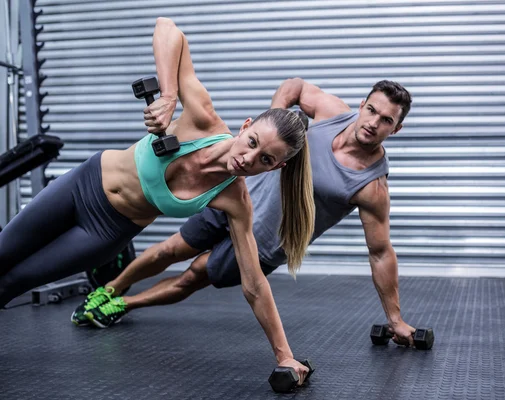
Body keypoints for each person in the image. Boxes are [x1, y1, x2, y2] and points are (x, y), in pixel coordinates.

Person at [0, 17, 314, 381]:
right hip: (82, 185)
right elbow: (167, 28)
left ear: (276, 168)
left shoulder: (234, 199)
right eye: (253, 143)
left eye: (265, 160)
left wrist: (285, 356)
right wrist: (168, 97)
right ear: (246, 126)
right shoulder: (201, 118)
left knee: (13, 283)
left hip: (104, 232)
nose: (248, 158)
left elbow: (254, 283)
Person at [74, 76, 417, 347]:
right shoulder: (331, 112)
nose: (373, 122)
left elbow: (380, 252)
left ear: (396, 129)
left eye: (386, 120)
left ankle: (124, 305)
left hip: (265, 243)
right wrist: (275, 119)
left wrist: (395, 318)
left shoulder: (371, 187)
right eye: (371, 110)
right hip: (235, 199)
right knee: (170, 248)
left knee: (195, 274)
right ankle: (111, 289)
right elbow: (294, 86)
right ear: (362, 105)